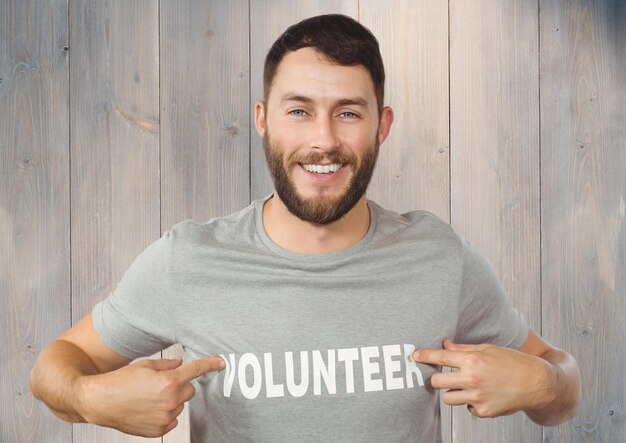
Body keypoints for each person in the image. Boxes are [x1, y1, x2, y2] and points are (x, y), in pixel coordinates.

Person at [30, 14, 580, 442]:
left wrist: (545, 384)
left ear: (381, 125)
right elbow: (54, 367)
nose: (323, 140)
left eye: (348, 112)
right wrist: (89, 399)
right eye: (299, 111)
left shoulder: (439, 256)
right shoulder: (186, 260)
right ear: (263, 119)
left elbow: (560, 381)